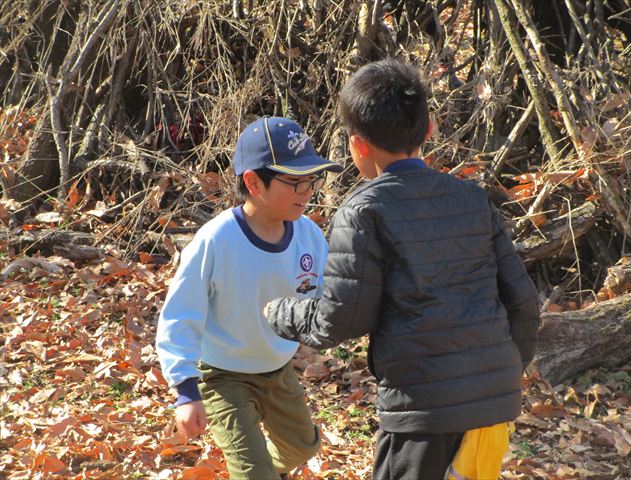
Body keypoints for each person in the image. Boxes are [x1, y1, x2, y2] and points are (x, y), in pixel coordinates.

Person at [265, 59, 540, 480]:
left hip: (422, 408)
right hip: (493, 403)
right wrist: (499, 373)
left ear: (357, 145)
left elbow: (339, 319)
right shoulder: (471, 198)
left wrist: (279, 312)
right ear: (429, 130)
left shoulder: (363, 210)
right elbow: (523, 301)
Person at [156, 116, 343, 480]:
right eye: (294, 182)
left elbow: (328, 296)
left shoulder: (309, 236)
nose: (307, 191)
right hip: (222, 375)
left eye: (312, 180)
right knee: (252, 471)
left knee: (302, 446)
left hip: (277, 368)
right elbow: (180, 314)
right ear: (253, 182)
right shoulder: (217, 240)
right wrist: (185, 390)